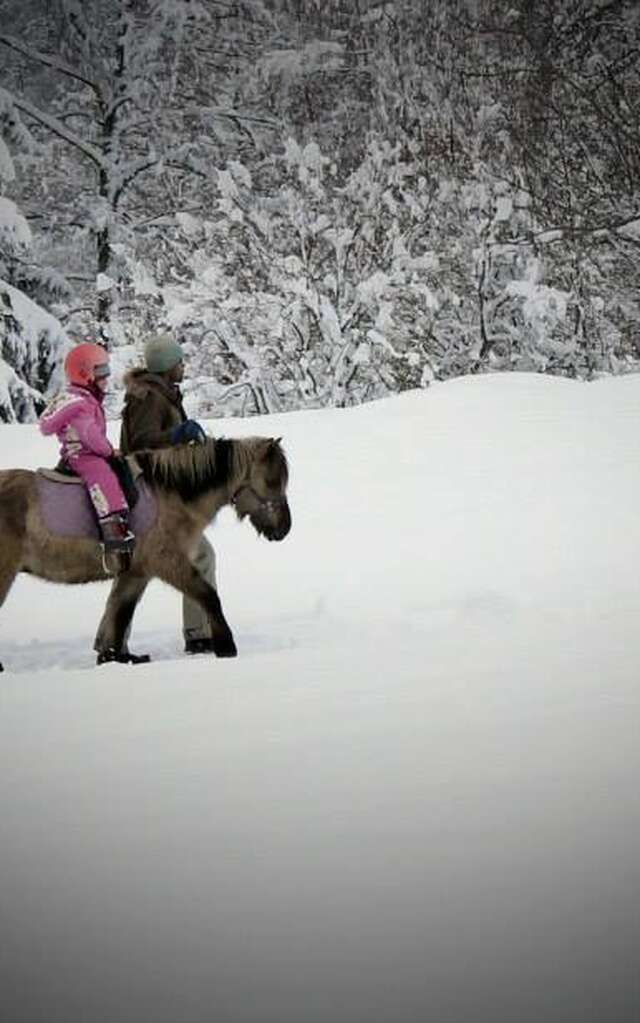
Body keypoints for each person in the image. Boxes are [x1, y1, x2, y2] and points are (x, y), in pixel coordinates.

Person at [118, 331, 217, 655]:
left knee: (146, 566)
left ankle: (114, 642)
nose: (183, 366)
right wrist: (178, 434)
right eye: (179, 362)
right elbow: (142, 444)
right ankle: (198, 634)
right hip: (151, 495)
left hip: (161, 492)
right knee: (196, 556)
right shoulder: (149, 397)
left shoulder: (162, 393)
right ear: (167, 366)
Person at [39, 342, 134, 558]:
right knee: (104, 476)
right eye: (101, 373)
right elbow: (90, 435)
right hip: (84, 456)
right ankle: (113, 532)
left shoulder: (82, 398)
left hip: (79, 452)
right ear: (85, 374)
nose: (106, 379)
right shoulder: (80, 404)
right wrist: (109, 451)